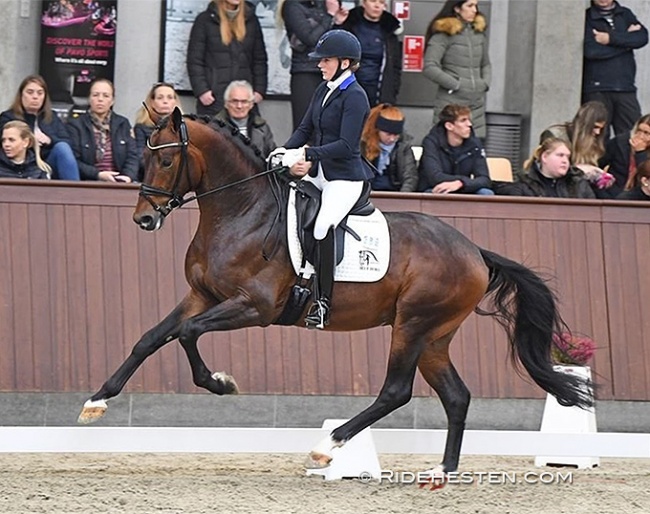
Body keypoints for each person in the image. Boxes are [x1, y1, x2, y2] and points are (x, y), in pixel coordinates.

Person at [270, 30, 373, 330]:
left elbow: (346, 145)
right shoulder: (323, 90)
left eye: (325, 60)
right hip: (319, 174)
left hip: (344, 178)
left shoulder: (356, 97)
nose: (319, 65)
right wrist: (283, 152)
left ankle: (323, 302)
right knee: (285, 205)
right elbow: (304, 128)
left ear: (344, 62)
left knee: (322, 225)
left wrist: (308, 154)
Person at [422, 0, 491, 139]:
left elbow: (486, 64)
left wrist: (484, 83)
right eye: (470, 6)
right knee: (446, 147)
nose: (475, 10)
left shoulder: (478, 34)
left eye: (476, 5)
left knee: (475, 149)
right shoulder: (443, 34)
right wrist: (455, 84)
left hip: (476, 103)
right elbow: (429, 66)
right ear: (457, 8)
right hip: (451, 102)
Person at [186, 0, 268, 117]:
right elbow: (194, 60)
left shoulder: (251, 20)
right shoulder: (204, 20)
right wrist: (202, 91)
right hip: (214, 99)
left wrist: (259, 90)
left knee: (246, 134)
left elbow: (259, 59)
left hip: (243, 100)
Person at [583, 0, 648, 136]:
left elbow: (642, 38)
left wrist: (610, 39)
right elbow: (591, 51)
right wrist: (627, 42)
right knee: (597, 137)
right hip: (597, 88)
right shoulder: (587, 17)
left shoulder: (624, 14)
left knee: (633, 135)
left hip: (625, 87)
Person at [280, 0, 348, 130]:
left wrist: (337, 22)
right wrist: (329, 15)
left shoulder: (322, 4)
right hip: (305, 71)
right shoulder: (293, 5)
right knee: (305, 127)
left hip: (330, 73)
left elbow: (334, 41)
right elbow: (310, 39)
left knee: (328, 127)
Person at [0, 75, 79, 180]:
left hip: (47, 163)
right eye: (30, 92)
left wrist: (49, 140)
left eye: (40, 93)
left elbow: (68, 142)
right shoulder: (8, 117)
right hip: (21, 165)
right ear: (21, 95)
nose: (35, 97)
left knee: (62, 148)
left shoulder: (52, 117)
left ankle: (75, 192)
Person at [66, 78, 139, 182]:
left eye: (106, 96)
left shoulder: (123, 123)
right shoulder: (75, 124)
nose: (100, 99)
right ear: (89, 98)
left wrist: (127, 176)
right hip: (89, 181)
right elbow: (73, 161)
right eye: (95, 95)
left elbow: (132, 156)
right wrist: (98, 174)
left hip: (120, 181)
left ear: (112, 100)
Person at [541, 101, 615, 196]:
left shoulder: (595, 141)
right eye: (595, 127)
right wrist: (580, 170)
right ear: (585, 125)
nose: (597, 132)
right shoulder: (556, 135)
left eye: (601, 128)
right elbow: (547, 168)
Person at [337, 0, 402, 106]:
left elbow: (395, 66)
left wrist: (392, 93)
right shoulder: (349, 25)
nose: (377, 5)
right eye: (373, 1)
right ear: (363, 3)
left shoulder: (390, 31)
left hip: (379, 90)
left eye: (381, 2)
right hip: (350, 86)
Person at [417, 103, 493, 195]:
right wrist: (461, 181)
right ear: (449, 126)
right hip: (435, 189)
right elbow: (435, 177)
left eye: (469, 120)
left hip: (463, 187)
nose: (469, 124)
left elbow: (485, 179)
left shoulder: (474, 144)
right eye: (463, 120)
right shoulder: (431, 142)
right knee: (438, 192)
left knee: (486, 193)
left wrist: (461, 183)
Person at [497, 137, 595, 199]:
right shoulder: (525, 185)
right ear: (544, 157)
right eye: (560, 155)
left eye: (567, 157)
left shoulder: (579, 183)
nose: (565, 161)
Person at [361, 103, 418, 192]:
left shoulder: (404, 147)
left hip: (396, 194)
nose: (392, 139)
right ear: (377, 130)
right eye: (388, 134)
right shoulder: (363, 146)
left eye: (396, 135)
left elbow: (410, 177)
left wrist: (402, 197)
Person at [214, 80, 276, 157]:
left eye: (244, 102)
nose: (239, 106)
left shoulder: (262, 128)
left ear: (251, 104)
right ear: (226, 104)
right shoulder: (215, 128)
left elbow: (272, 157)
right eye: (234, 101)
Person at [133, 82, 180, 181]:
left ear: (175, 102)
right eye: (160, 98)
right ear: (152, 102)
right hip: (151, 178)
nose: (165, 101)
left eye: (170, 97)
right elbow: (140, 158)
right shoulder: (141, 128)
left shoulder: (184, 128)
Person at [598, 113, 650, 198]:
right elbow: (599, 163)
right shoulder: (620, 142)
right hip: (613, 194)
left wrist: (640, 152)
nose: (640, 136)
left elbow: (645, 173)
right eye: (639, 131)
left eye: (646, 133)